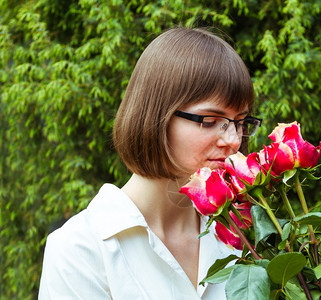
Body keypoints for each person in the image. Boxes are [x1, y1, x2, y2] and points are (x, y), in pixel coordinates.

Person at [38, 27, 262, 299]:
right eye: (210, 121)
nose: (233, 140)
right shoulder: (81, 250)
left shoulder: (242, 235)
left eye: (240, 123)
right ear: (157, 115)